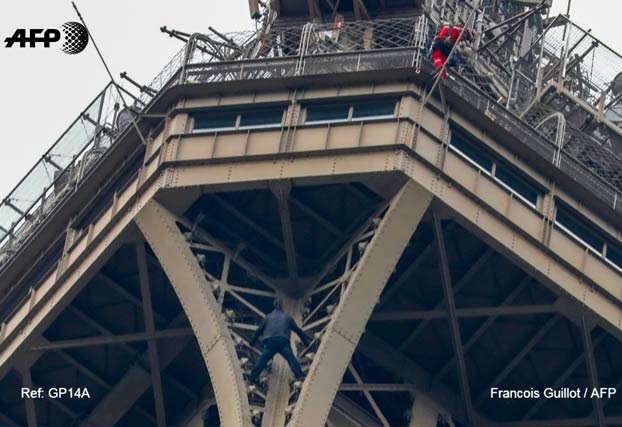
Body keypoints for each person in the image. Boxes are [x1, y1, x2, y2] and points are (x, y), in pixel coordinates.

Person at [248, 300, 310, 384]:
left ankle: (251, 378)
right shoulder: (287, 317)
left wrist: (252, 342)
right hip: (283, 341)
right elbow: (298, 331)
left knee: (262, 361)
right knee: (291, 359)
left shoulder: (268, 317)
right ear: (282, 306)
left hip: (270, 342)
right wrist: (306, 343)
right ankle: (300, 375)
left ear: (274, 306)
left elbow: (258, 330)